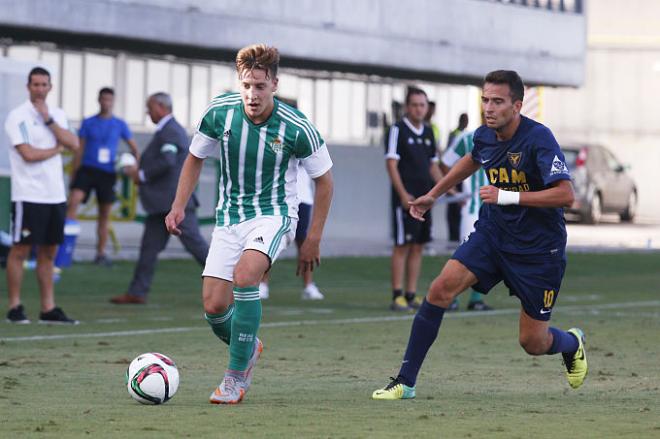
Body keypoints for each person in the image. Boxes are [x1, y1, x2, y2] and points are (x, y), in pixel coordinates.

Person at [372, 70, 587, 400]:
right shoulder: (484, 135)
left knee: (533, 342)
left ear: (517, 106)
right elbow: (472, 160)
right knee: (441, 288)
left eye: (497, 101)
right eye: (485, 99)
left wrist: (508, 196)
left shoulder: (538, 138)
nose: (489, 107)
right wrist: (435, 194)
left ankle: (572, 343)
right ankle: (405, 381)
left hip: (538, 250)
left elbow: (566, 195)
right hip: (493, 234)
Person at [165, 44, 333, 404]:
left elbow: (325, 181)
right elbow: (194, 158)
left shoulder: (297, 127)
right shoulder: (218, 113)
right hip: (229, 218)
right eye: (246, 85)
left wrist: (313, 236)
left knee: (245, 276)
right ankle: (248, 346)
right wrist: (178, 206)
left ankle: (235, 376)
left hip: (274, 215)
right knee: (213, 307)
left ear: (274, 83)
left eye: (259, 86)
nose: (252, 94)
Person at [109, 92, 209, 304]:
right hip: (161, 205)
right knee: (149, 248)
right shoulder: (167, 130)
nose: (148, 112)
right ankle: (137, 292)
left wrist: (141, 174)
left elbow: (167, 160)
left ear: (161, 107)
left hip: (175, 203)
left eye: (150, 107)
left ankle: (231, 282)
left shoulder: (171, 130)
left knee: (196, 246)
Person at [4, 66, 80, 324]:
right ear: (28, 87)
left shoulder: (56, 114)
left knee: (49, 253)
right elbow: (28, 154)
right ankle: (15, 306)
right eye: (35, 84)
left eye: (43, 84)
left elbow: (74, 143)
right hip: (28, 195)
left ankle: (48, 308)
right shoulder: (17, 116)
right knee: (20, 251)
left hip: (54, 195)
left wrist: (48, 120)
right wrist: (55, 150)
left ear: (50, 87)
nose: (39, 89)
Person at [67, 87, 140, 266]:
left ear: (113, 102)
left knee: (104, 214)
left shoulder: (119, 124)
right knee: (73, 202)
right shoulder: (88, 122)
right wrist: (74, 172)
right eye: (103, 99)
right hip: (87, 169)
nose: (106, 103)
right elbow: (79, 148)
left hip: (107, 173)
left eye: (109, 99)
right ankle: (66, 249)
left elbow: (134, 148)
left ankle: (100, 254)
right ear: (99, 100)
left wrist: (133, 167)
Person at [385, 87, 442, 312]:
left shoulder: (429, 132)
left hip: (425, 200)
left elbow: (433, 166)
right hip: (407, 201)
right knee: (402, 245)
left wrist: (448, 190)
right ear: (408, 107)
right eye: (415, 105)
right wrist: (403, 195)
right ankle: (397, 294)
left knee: (418, 246)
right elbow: (391, 164)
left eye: (423, 105)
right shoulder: (397, 130)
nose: (419, 109)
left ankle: (411, 293)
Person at [440, 128, 493, 311]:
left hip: (496, 209)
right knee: (466, 255)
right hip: (472, 208)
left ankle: (476, 299)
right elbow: (445, 163)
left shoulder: (513, 139)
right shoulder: (468, 138)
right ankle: (450, 297)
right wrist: (454, 192)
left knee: (489, 255)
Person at [259, 165, 325, 301]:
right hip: (276, 196)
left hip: (302, 197)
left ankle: (308, 286)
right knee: (267, 240)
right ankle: (262, 284)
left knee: (303, 241)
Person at [445, 113, 469, 243]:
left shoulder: (467, 135)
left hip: (462, 175)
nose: (466, 122)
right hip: (454, 173)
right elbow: (446, 160)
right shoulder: (457, 135)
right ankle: (453, 235)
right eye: (464, 120)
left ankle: (458, 233)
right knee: (453, 205)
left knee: (461, 204)